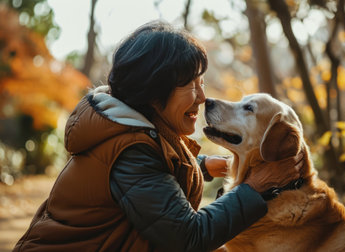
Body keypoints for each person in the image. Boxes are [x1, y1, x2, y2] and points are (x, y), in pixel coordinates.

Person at [14, 21, 304, 252]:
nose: (203, 97)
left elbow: (152, 180)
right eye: (192, 85)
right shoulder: (130, 150)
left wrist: (202, 165)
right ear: (153, 90)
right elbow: (188, 237)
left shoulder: (133, 132)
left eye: (201, 83)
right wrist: (253, 188)